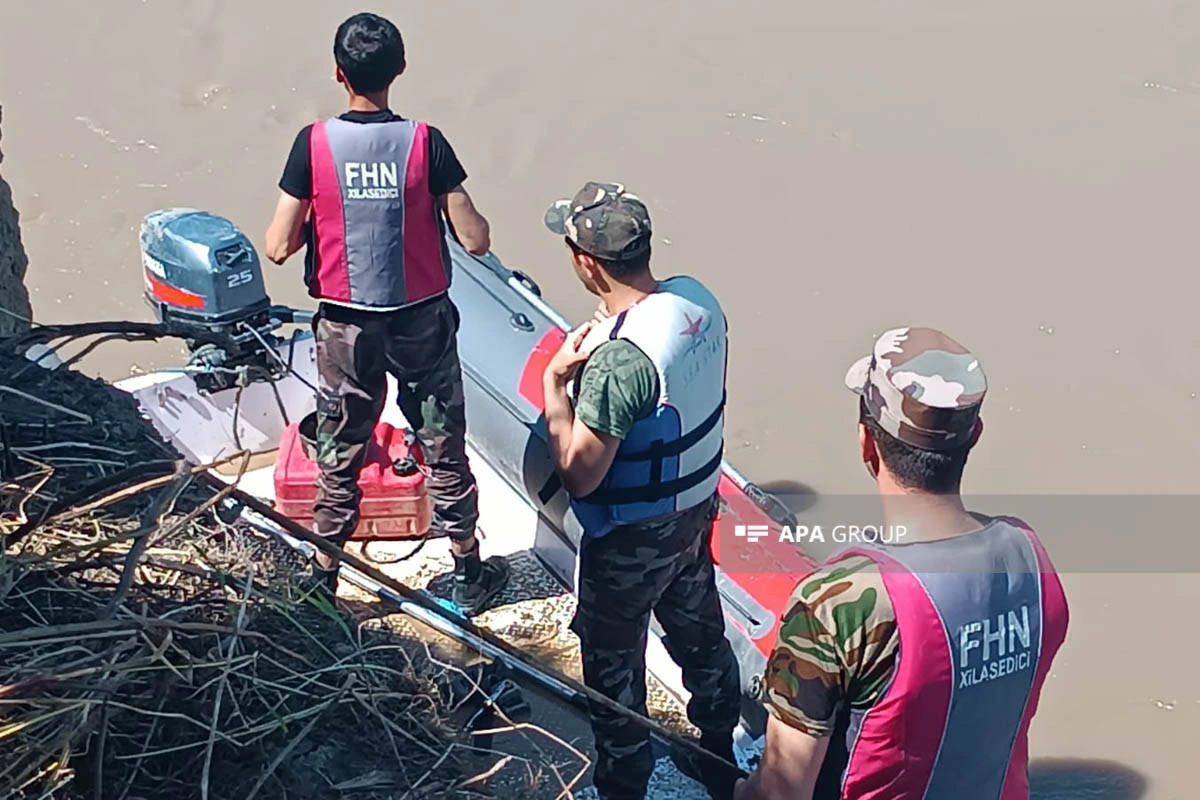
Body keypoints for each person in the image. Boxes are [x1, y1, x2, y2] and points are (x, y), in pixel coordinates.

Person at [734, 327, 1070, 799]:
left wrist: (742, 790)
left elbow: (781, 793)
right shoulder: (1030, 560)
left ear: (866, 443)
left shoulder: (838, 600)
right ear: (974, 435)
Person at [263, 12, 508, 614]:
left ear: (338, 73)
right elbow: (475, 239)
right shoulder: (427, 142)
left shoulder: (312, 145)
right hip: (421, 321)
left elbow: (276, 245)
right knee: (442, 444)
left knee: (341, 447)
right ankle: (468, 569)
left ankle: (323, 577)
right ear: (399, 69)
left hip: (346, 327)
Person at [540, 182, 743, 800]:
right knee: (700, 634)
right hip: (693, 513)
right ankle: (718, 754)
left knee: (612, 666)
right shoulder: (697, 300)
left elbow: (580, 474)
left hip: (631, 538)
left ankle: (624, 784)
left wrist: (555, 386)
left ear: (586, 262)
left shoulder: (619, 364)